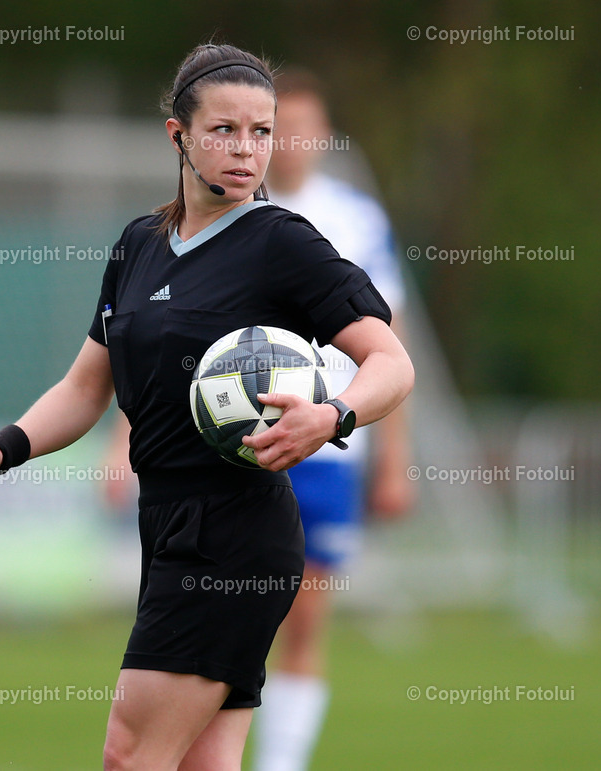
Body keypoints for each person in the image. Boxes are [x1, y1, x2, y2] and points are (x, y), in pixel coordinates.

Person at [0, 42, 414, 771]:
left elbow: (392, 362)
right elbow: (85, 387)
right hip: (165, 526)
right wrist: (3, 447)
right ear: (179, 135)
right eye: (225, 129)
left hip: (233, 532)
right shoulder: (139, 245)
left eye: (262, 131)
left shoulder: (281, 243)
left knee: (130, 755)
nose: (247, 149)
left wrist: (333, 416)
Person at [254, 69, 416, 771]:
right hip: (237, 447)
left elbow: (391, 344)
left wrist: (394, 459)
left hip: (328, 449)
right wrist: (127, 439)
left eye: (303, 127)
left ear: (324, 136)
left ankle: (279, 764)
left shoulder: (356, 219)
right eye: (277, 128)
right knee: (223, 620)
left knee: (304, 619)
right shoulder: (223, 213)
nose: (291, 141)